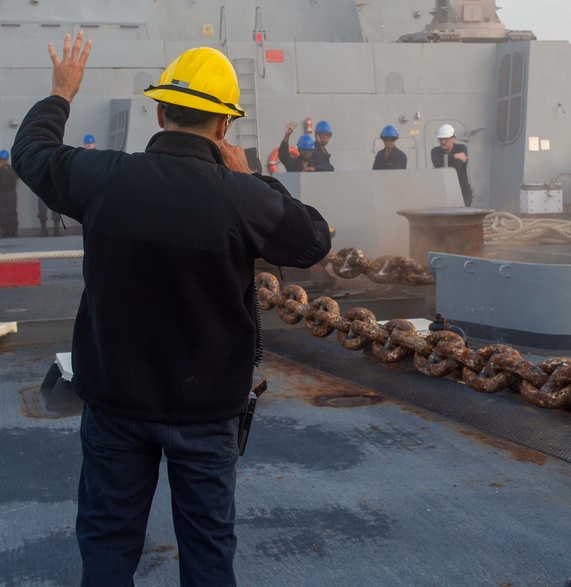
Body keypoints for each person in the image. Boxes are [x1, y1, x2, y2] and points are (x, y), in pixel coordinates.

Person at [12, 33, 331, 586]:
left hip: (114, 404)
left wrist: (62, 92)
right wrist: (250, 175)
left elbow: (31, 153)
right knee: (208, 552)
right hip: (206, 414)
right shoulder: (242, 195)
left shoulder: (104, 177)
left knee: (109, 543)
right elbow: (312, 241)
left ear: (160, 111)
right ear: (224, 125)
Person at [430, 123, 472, 206]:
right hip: (441, 190)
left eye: (446, 139)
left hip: (461, 191)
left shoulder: (461, 148)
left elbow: (457, 166)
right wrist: (455, 156)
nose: (443, 142)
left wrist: (445, 161)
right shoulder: (435, 151)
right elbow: (437, 163)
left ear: (453, 139)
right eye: (440, 139)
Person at [0, 150, 18, 237]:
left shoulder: (10, 169)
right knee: (2, 212)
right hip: (1, 193)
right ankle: (4, 230)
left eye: (3, 160)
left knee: (12, 211)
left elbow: (15, 177)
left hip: (11, 192)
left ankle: (13, 230)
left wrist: (7, 169)